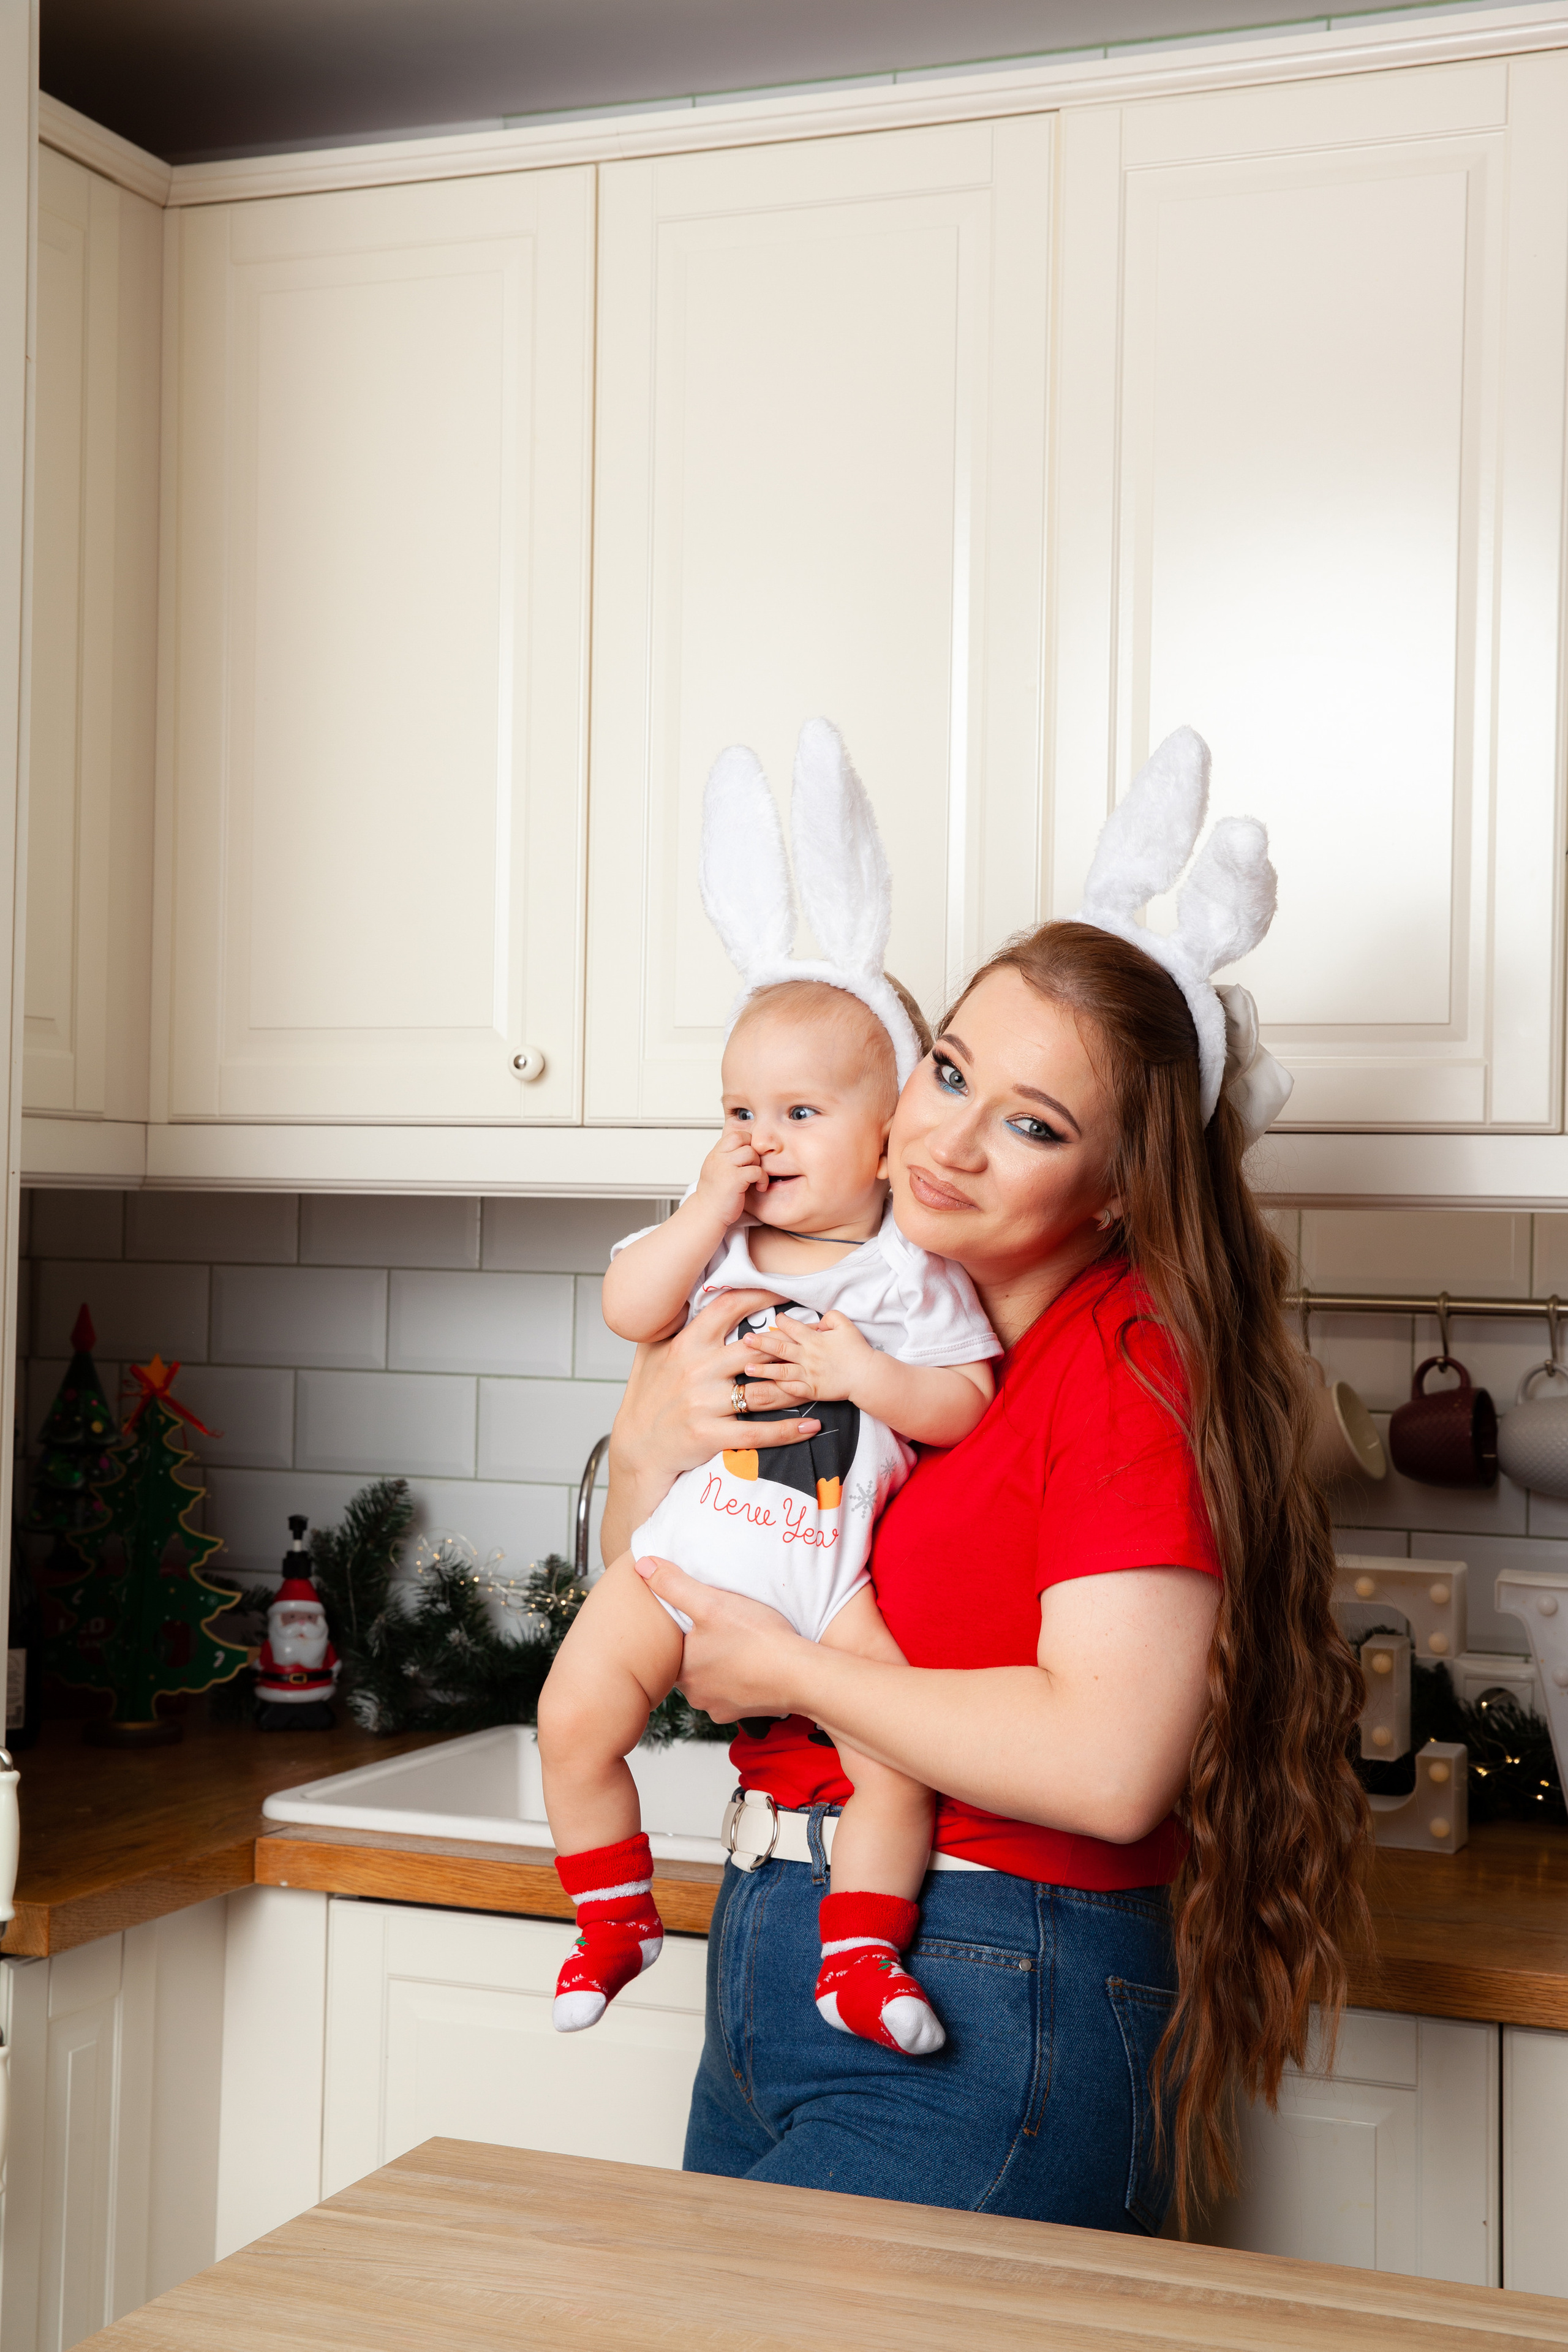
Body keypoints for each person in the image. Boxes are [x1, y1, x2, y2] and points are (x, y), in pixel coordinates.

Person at [601, 733, 1370, 2233]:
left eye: (1031, 1123)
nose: (942, 1139)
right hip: (781, 1943)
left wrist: (791, 1670)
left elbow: (1104, 1764)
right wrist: (652, 1429)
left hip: (986, 1982)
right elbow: (686, 1613)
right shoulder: (889, 1313)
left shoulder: (1126, 1364)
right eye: (947, 1070)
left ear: (1125, 1182)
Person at [539, 728, 1000, 2051]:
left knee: (894, 1762)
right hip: (687, 1559)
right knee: (571, 1713)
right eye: (738, 1108)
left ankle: (858, 1961)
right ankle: (612, 1916)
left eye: (797, 1114)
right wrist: (697, 1210)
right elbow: (631, 1308)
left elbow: (961, 1403)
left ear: (887, 1129)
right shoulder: (721, 1246)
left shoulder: (908, 1273)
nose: (759, 1137)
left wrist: (864, 1371)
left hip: (824, 1575)